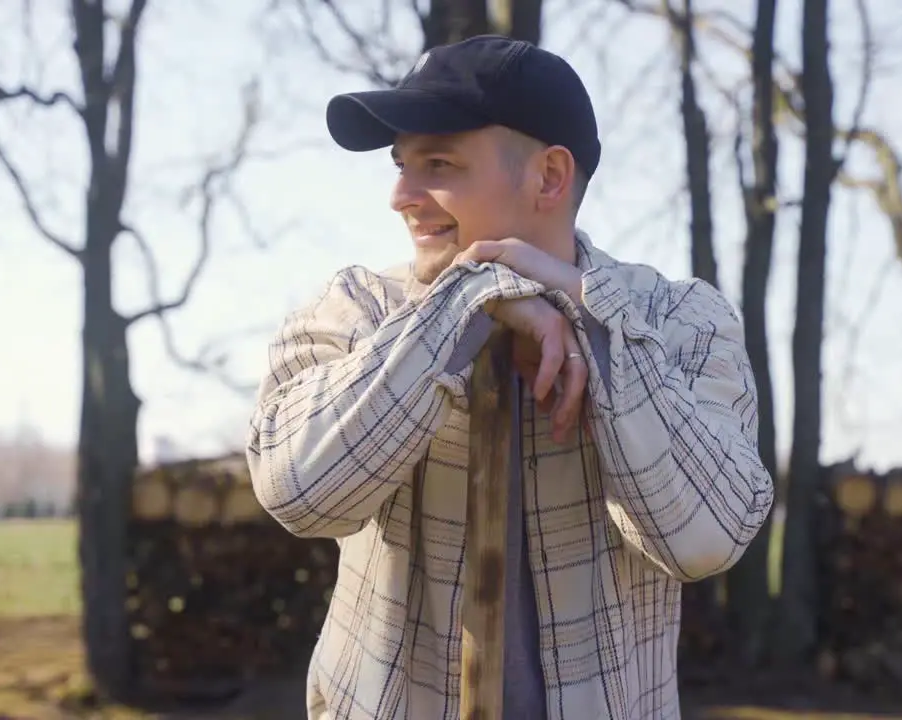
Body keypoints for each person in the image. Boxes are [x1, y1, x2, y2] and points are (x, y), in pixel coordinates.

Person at [247, 34, 774, 720]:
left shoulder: (678, 321)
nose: (401, 196)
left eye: (437, 163)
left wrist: (597, 331)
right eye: (400, 165)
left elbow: (707, 536)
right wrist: (468, 299)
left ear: (550, 178)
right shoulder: (358, 310)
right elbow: (299, 490)